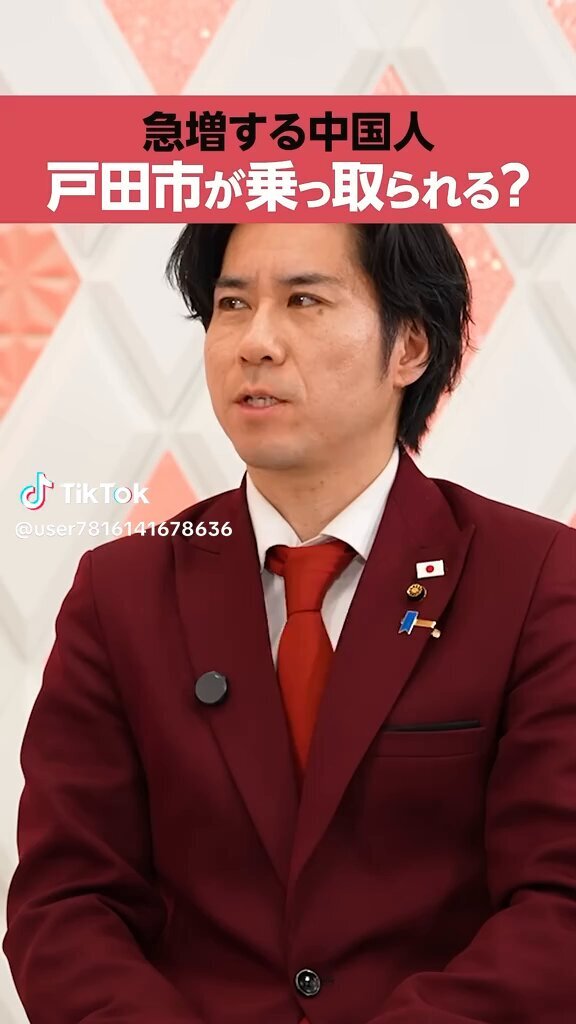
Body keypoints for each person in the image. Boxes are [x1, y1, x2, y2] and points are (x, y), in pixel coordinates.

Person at [3, 221, 576, 1024]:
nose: (255, 343)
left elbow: (559, 904)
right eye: (232, 305)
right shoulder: (121, 593)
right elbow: (66, 905)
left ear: (410, 347)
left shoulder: (537, 579)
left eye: (304, 301)